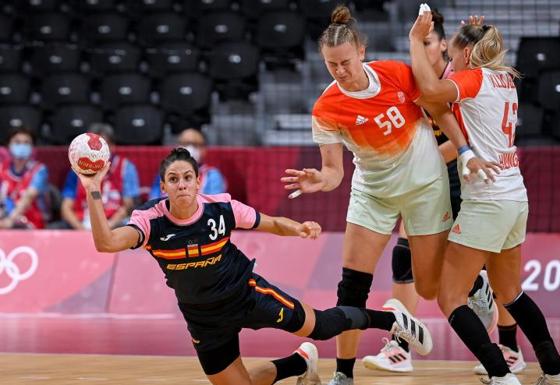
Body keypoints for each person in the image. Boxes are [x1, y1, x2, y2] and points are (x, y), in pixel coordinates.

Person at [75, 147, 432, 385]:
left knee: (321, 326)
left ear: (198, 182)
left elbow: (271, 222)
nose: (181, 185)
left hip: (246, 295)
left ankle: (392, 319)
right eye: (173, 179)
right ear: (163, 186)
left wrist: (299, 228)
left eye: (187, 178)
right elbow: (106, 242)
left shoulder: (221, 208)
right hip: (203, 318)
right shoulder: (151, 220)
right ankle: (299, 364)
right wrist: (93, 188)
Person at [280, 6, 498, 385]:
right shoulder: (327, 107)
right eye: (332, 65)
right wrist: (321, 178)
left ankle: (476, 284)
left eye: (345, 62)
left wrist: (464, 150)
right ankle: (343, 374)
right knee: (351, 288)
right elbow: (334, 171)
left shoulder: (397, 74)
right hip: (373, 194)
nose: (340, 71)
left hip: (425, 190)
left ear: (361, 52)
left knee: (429, 289)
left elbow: (441, 111)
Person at [409, 11, 560, 385]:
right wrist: (466, 37)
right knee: (511, 292)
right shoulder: (504, 78)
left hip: (487, 200)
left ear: (467, 55)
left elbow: (428, 91)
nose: (448, 63)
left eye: (453, 56)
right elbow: (443, 103)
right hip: (515, 195)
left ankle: (500, 374)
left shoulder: (471, 79)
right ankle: (556, 369)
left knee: (449, 297)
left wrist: (414, 41)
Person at [363, 10, 525, 376]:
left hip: (466, 174)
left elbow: (464, 138)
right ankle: (400, 346)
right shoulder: (410, 76)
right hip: (427, 179)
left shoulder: (460, 76)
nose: (421, 48)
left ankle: (510, 346)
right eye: (417, 43)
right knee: (405, 256)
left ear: (443, 43)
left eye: (427, 42)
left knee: (493, 264)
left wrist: (477, 36)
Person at [59, 123, 140, 230]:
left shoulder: (125, 167)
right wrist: (81, 229)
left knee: (131, 225)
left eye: (100, 146)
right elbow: (66, 207)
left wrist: (107, 227)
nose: (96, 151)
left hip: (113, 224)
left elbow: (128, 205)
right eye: (92, 146)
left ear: (112, 146)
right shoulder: (77, 169)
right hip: (81, 222)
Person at [149, 128, 226, 200]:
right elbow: (154, 200)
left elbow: (214, 205)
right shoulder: (165, 172)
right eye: (185, 144)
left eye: (195, 145)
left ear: (204, 149)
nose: (190, 148)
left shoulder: (212, 175)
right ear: (177, 146)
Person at [0, 126, 49, 229]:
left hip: (32, 224)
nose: (22, 146)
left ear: (32, 147)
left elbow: (28, 197)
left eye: (26, 143)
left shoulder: (39, 170)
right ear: (9, 145)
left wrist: (9, 221)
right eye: (17, 142)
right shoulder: (2, 168)